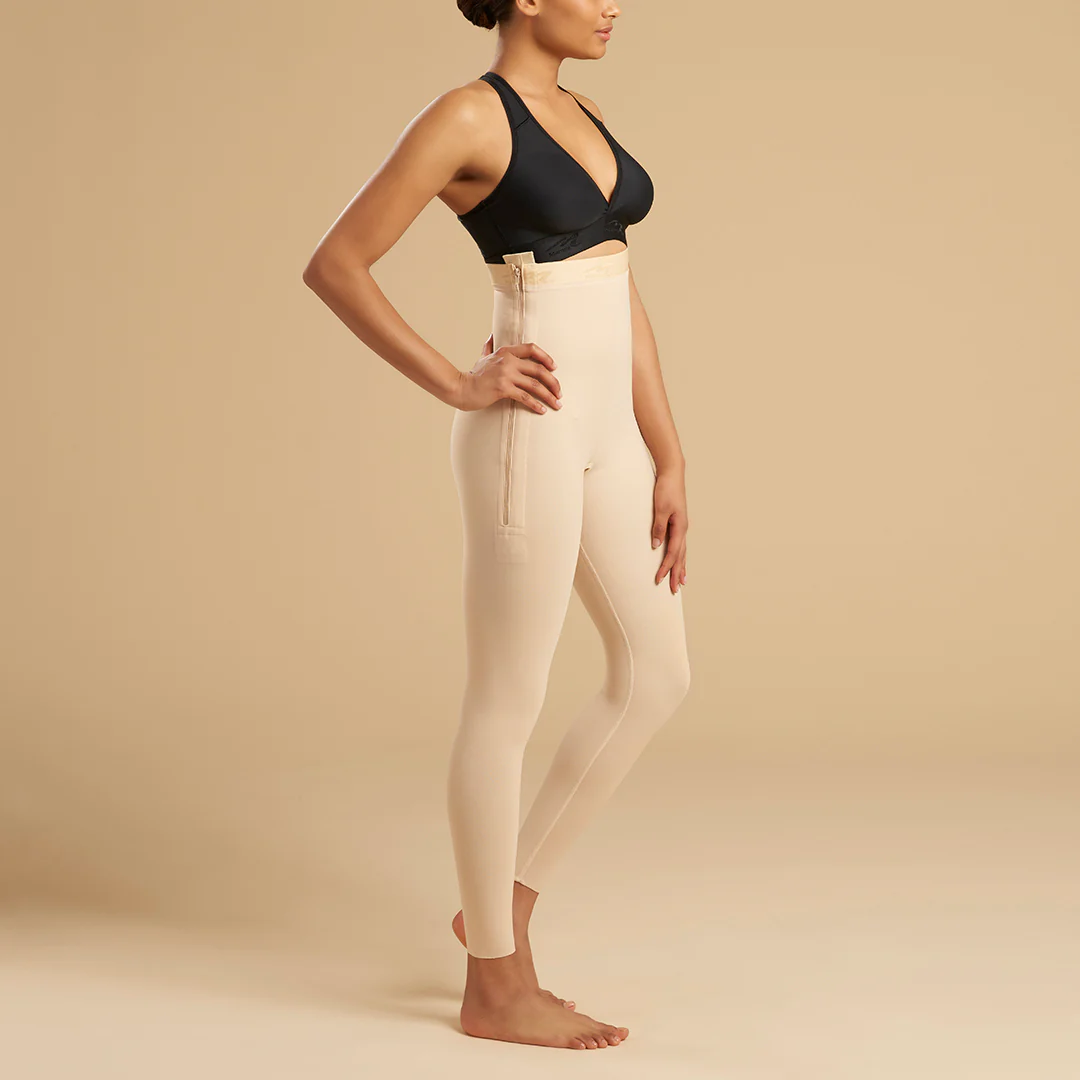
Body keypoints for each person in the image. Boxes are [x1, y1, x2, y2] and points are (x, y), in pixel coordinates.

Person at [302, 0, 691, 1051]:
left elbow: (618, 285)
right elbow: (337, 263)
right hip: (531, 433)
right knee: (507, 700)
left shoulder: (585, 111)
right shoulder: (468, 117)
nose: (614, 4)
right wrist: (457, 381)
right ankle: (495, 986)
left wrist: (668, 450)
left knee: (656, 674)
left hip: (612, 434)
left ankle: (499, 904)